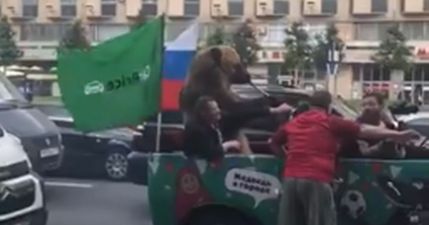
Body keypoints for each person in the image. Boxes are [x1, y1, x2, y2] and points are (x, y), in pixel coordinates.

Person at [270, 90, 418, 225]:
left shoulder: (295, 122)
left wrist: (287, 159)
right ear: (328, 106)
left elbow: (273, 142)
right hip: (316, 178)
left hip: (290, 179)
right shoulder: (330, 121)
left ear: (310, 105)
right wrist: (397, 135)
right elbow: (363, 130)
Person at [183, 96, 243, 161]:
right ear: (203, 113)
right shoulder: (197, 129)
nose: (218, 111)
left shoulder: (214, 123)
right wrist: (228, 145)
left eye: (217, 108)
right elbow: (211, 154)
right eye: (214, 109)